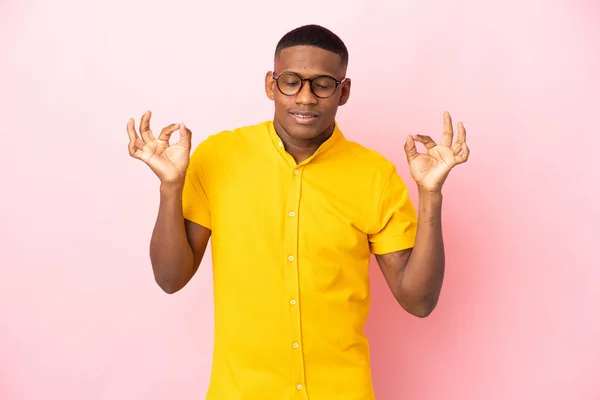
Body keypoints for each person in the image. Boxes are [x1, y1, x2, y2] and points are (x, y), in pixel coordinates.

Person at [126, 24, 469, 400]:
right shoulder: (218, 158)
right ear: (271, 85)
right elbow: (170, 278)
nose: (305, 98)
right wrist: (171, 187)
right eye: (291, 81)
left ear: (344, 91)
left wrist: (430, 193)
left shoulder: (375, 176)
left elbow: (418, 301)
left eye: (323, 84)